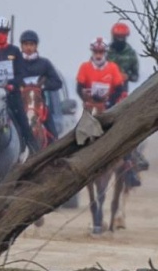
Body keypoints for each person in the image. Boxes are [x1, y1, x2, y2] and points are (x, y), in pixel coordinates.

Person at [76, 37, 140, 187]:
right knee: (80, 131)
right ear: (92, 52)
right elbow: (79, 87)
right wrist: (84, 98)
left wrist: (110, 101)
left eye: (101, 52)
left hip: (108, 105)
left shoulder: (112, 67)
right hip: (91, 105)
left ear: (105, 52)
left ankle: (128, 165)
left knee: (123, 131)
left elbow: (118, 87)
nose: (98, 55)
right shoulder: (85, 67)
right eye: (96, 52)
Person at [0, 16, 39, 155]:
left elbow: (21, 73)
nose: (0, 35)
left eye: (3, 32)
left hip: (11, 95)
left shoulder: (14, 51)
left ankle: (34, 149)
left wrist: (12, 85)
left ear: (7, 34)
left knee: (22, 119)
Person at [107, 22, 148, 172]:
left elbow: (136, 75)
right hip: (105, 93)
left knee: (132, 121)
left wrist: (127, 76)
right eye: (117, 37)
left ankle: (131, 160)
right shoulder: (105, 51)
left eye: (122, 37)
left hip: (122, 94)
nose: (119, 39)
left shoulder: (130, 53)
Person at [19, 30, 63, 141]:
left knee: (54, 136)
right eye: (26, 44)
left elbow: (57, 82)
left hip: (40, 107)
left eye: (31, 45)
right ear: (22, 46)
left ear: (36, 46)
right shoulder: (16, 63)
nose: (28, 48)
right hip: (19, 106)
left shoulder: (44, 63)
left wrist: (42, 87)